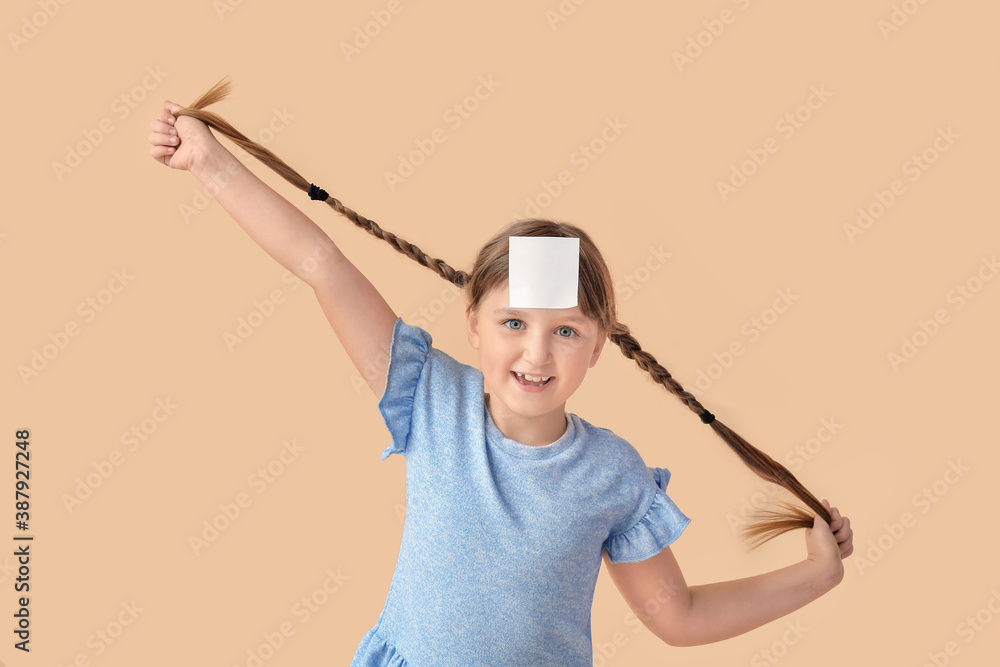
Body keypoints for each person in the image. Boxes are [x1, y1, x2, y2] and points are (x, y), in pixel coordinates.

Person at [149, 92, 853, 665]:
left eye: (566, 330)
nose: (537, 353)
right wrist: (211, 164)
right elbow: (319, 263)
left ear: (599, 345)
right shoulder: (428, 398)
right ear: (474, 325)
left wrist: (818, 573)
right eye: (513, 323)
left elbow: (679, 614)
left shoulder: (613, 472)